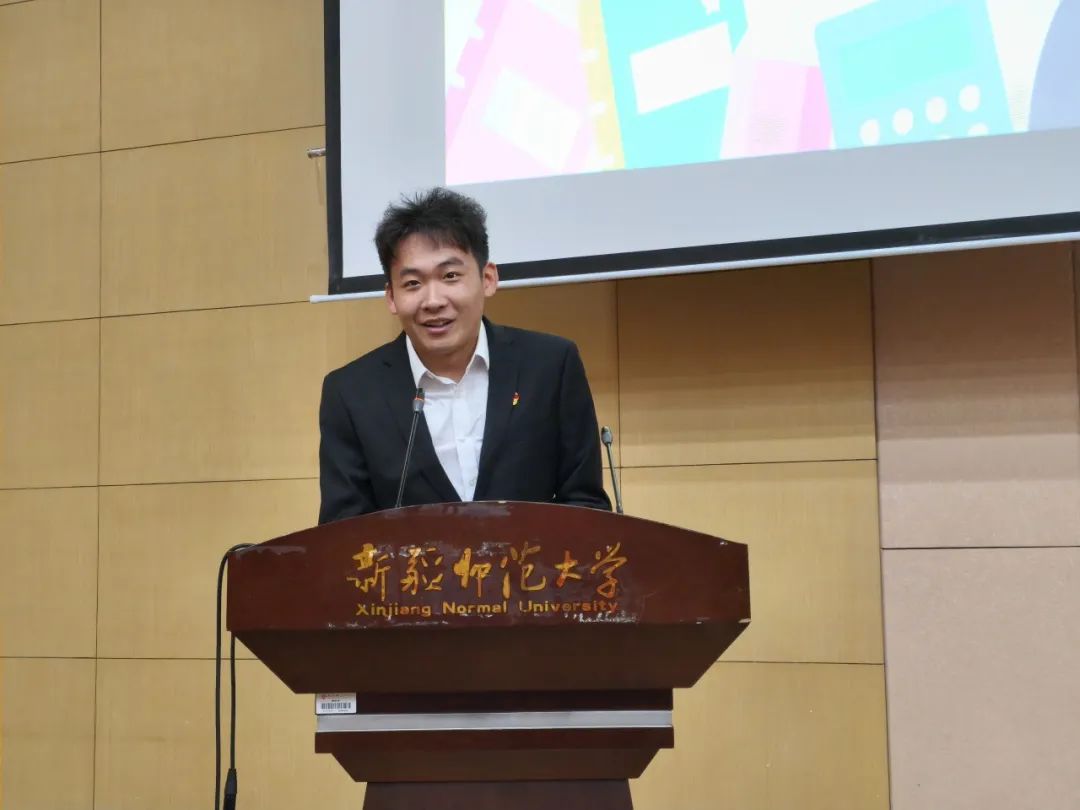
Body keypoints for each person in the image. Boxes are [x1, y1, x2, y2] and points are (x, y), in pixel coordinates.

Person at [318, 187, 612, 523]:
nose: (433, 300)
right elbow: (343, 534)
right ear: (391, 297)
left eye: (450, 276)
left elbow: (586, 506)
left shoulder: (551, 366)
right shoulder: (351, 393)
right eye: (412, 283)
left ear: (488, 279)